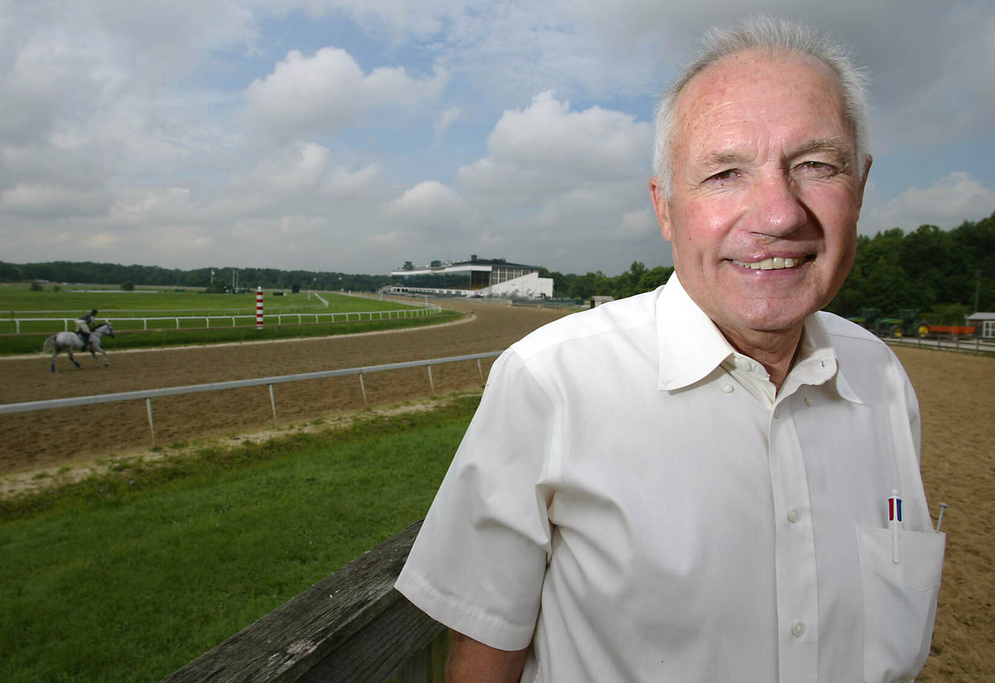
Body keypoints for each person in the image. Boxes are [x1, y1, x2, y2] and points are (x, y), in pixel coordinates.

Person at [395, 14, 946, 682]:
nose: (778, 214)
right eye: (725, 173)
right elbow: (483, 661)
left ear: (859, 189)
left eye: (815, 165)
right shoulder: (550, 382)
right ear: (665, 208)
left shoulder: (883, 380)